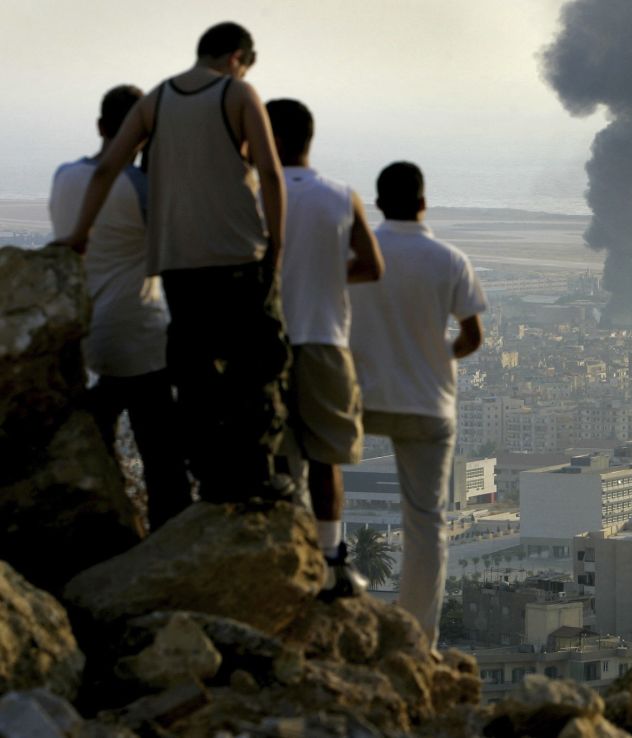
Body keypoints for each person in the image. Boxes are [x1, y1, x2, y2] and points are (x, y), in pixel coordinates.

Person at [51, 22, 291, 504]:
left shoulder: (156, 99)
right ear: (236, 57)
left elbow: (106, 168)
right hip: (238, 255)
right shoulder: (238, 92)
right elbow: (268, 170)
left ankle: (210, 480)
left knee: (196, 375)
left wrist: (79, 235)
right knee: (257, 366)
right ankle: (258, 477)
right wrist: (277, 243)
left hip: (180, 266)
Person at [348, 162, 487, 645]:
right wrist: (437, 355)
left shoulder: (359, 256)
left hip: (360, 395)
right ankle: (416, 639)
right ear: (424, 202)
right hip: (426, 401)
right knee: (425, 522)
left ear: (379, 205)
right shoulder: (449, 260)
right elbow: (472, 337)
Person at [49, 85, 191, 530]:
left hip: (88, 336)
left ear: (100, 126)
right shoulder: (140, 186)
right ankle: (166, 547)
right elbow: (177, 250)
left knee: (100, 446)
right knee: (163, 461)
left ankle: (102, 531)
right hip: (140, 337)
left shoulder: (64, 176)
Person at [265, 98, 384, 597]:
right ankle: (332, 559)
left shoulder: (253, 195)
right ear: (310, 140)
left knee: (273, 452)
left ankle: (282, 553)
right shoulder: (341, 196)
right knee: (325, 455)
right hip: (324, 338)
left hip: (265, 339)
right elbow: (372, 265)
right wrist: (325, 275)